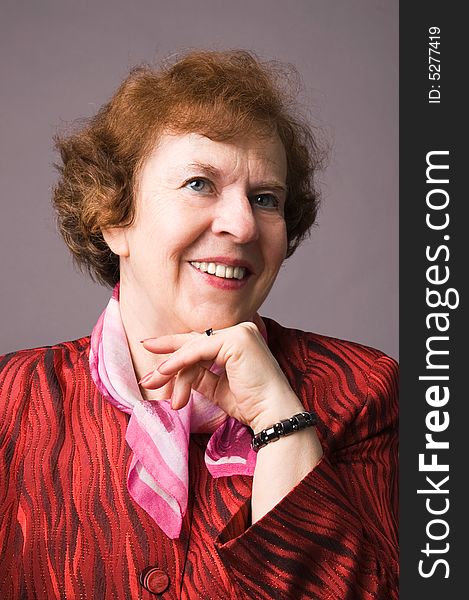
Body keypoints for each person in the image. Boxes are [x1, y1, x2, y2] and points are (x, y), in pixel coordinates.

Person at [0, 50, 398, 599]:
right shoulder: (10, 403)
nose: (241, 225)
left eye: (265, 199)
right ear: (113, 217)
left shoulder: (366, 392)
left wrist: (281, 424)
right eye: (198, 184)